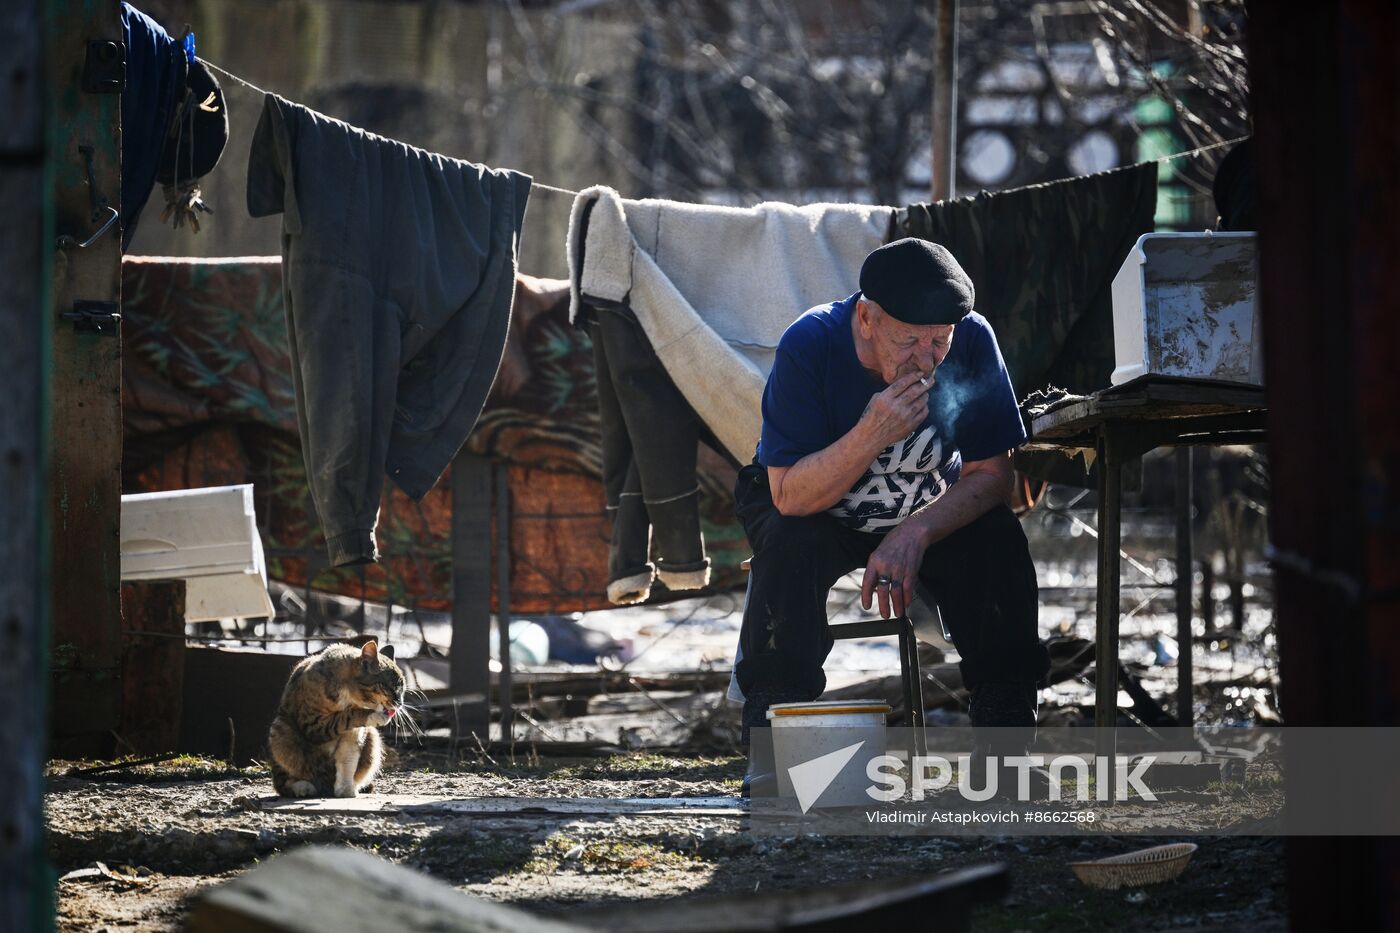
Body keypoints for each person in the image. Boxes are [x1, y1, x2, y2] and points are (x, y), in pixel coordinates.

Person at [735, 237, 1051, 782]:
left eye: (939, 342)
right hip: (817, 511)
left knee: (997, 540)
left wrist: (915, 532)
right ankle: (771, 744)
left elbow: (992, 476)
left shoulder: (973, 340)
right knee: (788, 547)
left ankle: (1006, 748)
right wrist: (871, 432)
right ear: (866, 318)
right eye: (909, 341)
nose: (926, 360)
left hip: (926, 505)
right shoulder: (810, 343)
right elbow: (789, 497)